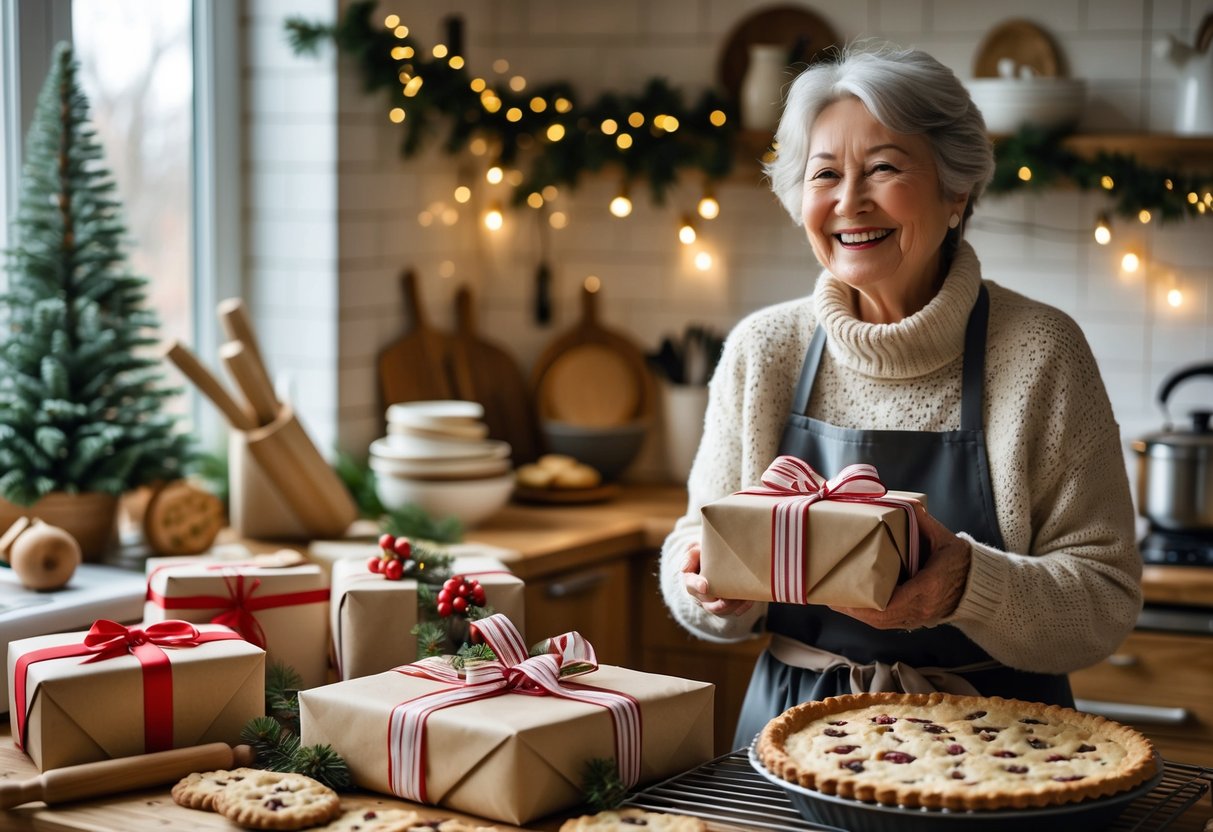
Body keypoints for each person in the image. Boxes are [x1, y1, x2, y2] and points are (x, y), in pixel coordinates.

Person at [659, 43, 1143, 750]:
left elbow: (1103, 599)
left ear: (956, 192)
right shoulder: (763, 350)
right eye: (823, 174)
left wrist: (964, 588)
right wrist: (704, 585)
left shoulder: (1040, 351)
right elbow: (692, 545)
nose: (849, 202)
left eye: (883, 168)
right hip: (793, 736)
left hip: (1000, 745)